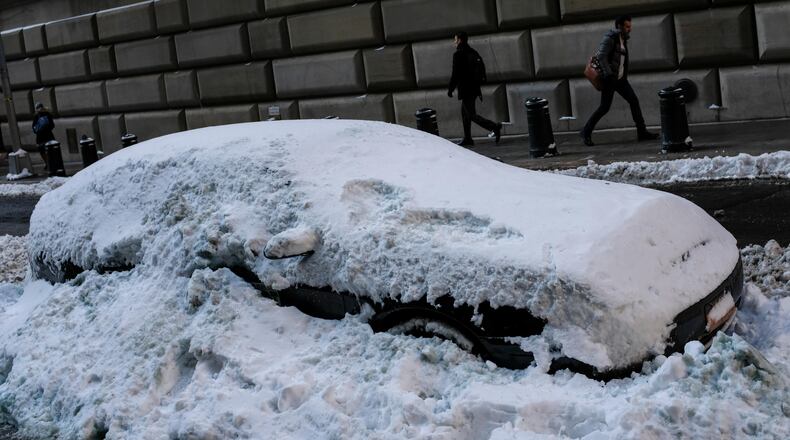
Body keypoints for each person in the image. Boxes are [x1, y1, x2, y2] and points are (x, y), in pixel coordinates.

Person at [580, 15, 658, 146]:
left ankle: (642, 132)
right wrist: (609, 74)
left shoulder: (623, 39)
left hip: (621, 80)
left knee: (634, 101)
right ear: (619, 26)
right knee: (604, 108)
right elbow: (601, 57)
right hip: (610, 79)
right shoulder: (610, 38)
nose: (630, 29)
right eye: (627, 26)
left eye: (630, 26)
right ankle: (585, 132)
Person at [448, 31, 502, 147]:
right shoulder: (472, 52)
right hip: (474, 88)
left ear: (460, 40)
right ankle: (468, 138)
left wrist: (450, 89)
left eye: (455, 39)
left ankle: (494, 126)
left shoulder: (458, 54)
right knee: (465, 113)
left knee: (471, 114)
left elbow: (455, 74)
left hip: (466, 89)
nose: (454, 42)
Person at [32, 102, 55, 168]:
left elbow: (34, 128)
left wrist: (38, 130)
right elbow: (52, 125)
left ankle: (47, 163)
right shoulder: (48, 114)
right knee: (50, 149)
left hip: (40, 137)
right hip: (48, 135)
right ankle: (50, 162)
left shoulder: (36, 116)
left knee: (42, 151)